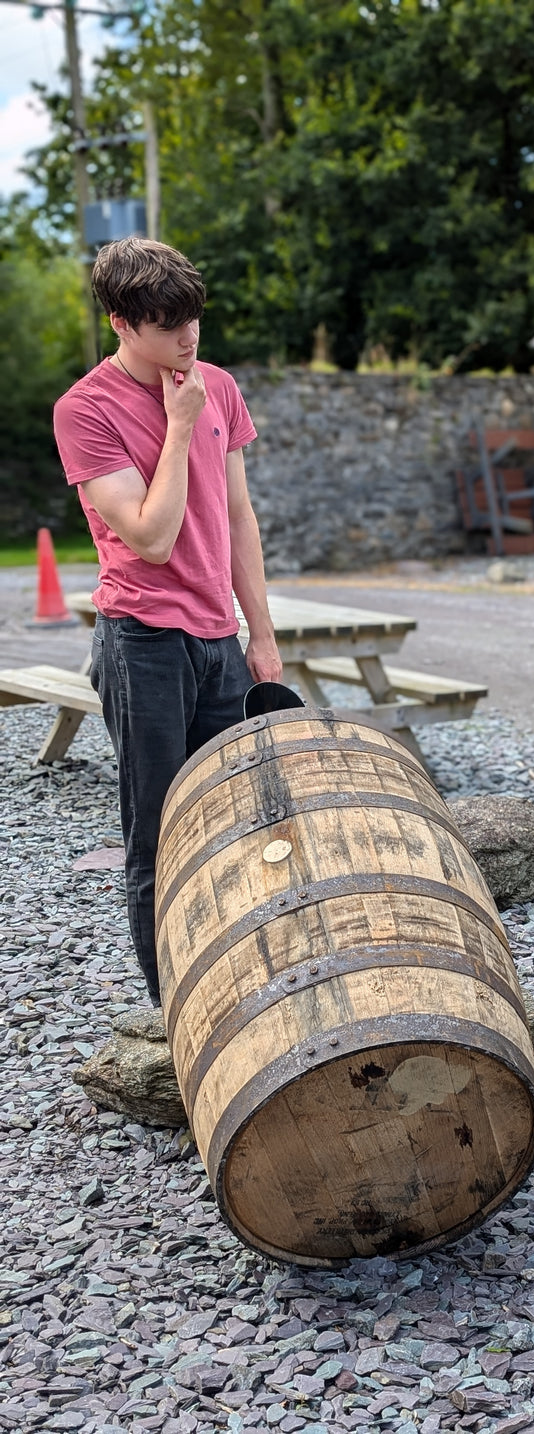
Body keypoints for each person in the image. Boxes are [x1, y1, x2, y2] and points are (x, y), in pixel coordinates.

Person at [53, 237, 282, 1008]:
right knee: (157, 834)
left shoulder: (218, 385)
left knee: (237, 821)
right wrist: (178, 425)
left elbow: (240, 518)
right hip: (141, 642)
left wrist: (264, 634)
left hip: (220, 639)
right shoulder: (84, 410)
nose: (188, 338)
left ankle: (240, 986)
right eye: (167, 324)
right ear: (122, 324)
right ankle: (175, 1012)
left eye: (193, 319)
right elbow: (150, 537)